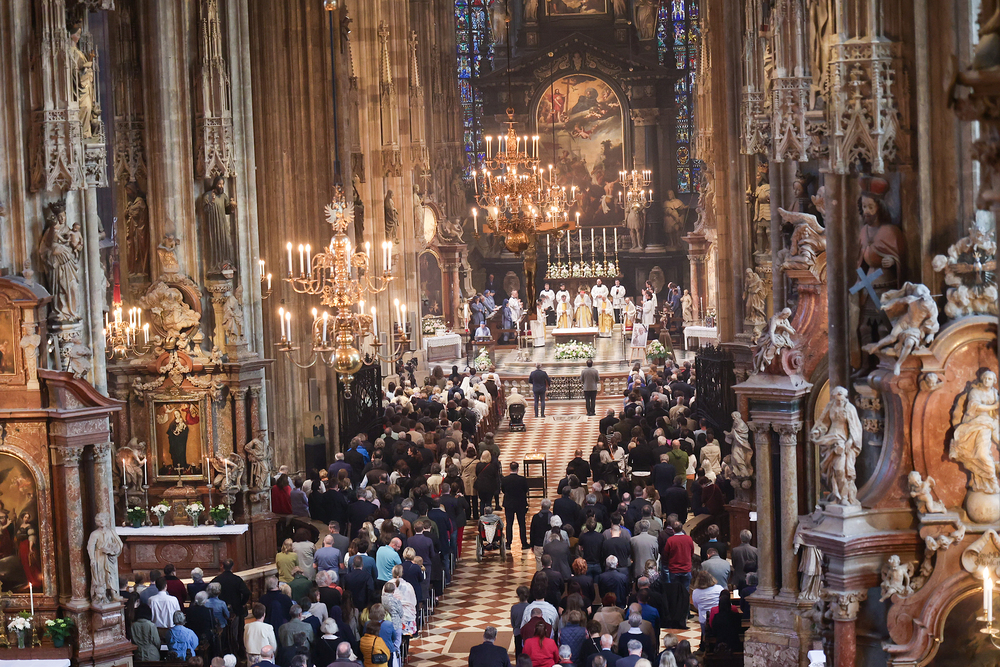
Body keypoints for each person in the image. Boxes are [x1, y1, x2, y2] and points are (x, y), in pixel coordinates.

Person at [690, 570, 724, 645]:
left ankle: (704, 647)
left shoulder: (695, 592)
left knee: (705, 635)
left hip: (704, 619)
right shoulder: (719, 588)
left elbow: (695, 605)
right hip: (717, 617)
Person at [502, 462, 530, 550]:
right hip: (520, 503)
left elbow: (503, 490)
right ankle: (524, 543)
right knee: (522, 524)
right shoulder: (522, 479)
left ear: (509, 468)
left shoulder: (505, 479)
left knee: (509, 524)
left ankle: (508, 543)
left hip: (509, 504)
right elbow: (526, 489)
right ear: (518, 469)